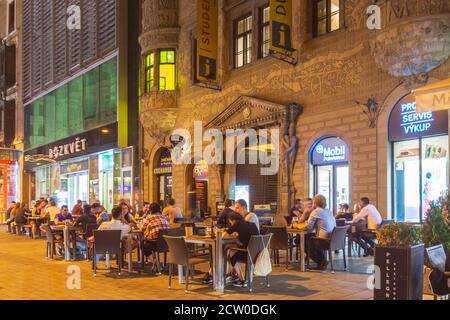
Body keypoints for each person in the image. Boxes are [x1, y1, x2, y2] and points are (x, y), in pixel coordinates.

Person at [294, 195, 336, 270]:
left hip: (324, 241)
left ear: (315, 203)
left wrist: (298, 225)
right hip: (333, 240)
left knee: (301, 241)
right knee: (304, 239)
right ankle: (322, 260)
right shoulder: (328, 210)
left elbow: (308, 227)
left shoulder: (316, 211)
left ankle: (321, 261)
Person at [225, 212, 260, 287]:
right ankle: (234, 275)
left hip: (247, 255)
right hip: (257, 255)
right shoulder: (252, 224)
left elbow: (224, 236)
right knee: (233, 250)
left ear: (232, 220)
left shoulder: (237, 224)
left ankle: (242, 280)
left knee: (231, 251)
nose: (230, 224)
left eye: (230, 222)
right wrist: (236, 239)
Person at [142, 203, 170, 273]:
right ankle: (156, 263)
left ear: (150, 210)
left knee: (143, 246)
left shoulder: (149, 217)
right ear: (159, 209)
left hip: (155, 244)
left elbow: (142, 228)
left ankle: (155, 262)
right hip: (166, 243)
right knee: (151, 240)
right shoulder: (164, 217)